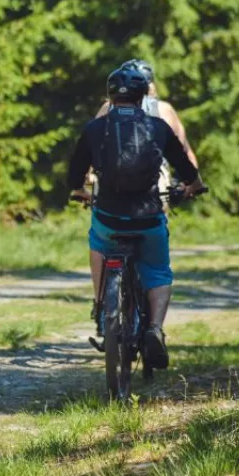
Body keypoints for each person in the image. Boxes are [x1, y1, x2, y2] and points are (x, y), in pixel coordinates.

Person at [68, 65, 204, 369]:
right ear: (145, 95)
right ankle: (154, 328)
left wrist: (79, 190)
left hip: (108, 216)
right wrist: (193, 187)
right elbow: (186, 166)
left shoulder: (94, 128)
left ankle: (103, 306)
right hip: (148, 216)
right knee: (157, 270)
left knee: (98, 242)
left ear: (110, 96)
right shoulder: (158, 126)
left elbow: (75, 172)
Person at [96, 59, 198, 169]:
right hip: (155, 175)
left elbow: (92, 145)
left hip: (114, 175)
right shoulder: (164, 109)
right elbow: (186, 153)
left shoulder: (108, 108)